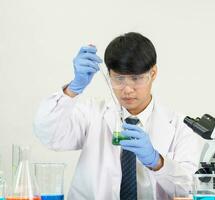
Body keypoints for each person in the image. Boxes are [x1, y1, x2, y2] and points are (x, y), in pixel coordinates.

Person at [34, 32, 204, 200]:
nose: (127, 89)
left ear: (153, 73)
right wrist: (73, 89)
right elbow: (50, 135)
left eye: (136, 78)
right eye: (119, 79)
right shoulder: (92, 113)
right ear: (109, 75)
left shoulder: (180, 127)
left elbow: (188, 189)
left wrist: (157, 162)